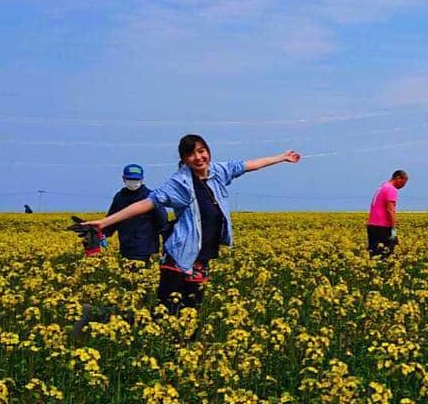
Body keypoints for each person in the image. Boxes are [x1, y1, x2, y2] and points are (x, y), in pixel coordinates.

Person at [80, 135, 299, 315]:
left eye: (202, 150)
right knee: (165, 313)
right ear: (184, 159)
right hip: (179, 257)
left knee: (190, 311)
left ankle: (182, 352)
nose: (198, 157)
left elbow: (248, 165)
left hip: (201, 259)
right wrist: (104, 222)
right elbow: (147, 203)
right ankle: (100, 316)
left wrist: (281, 157)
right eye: (191, 153)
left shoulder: (218, 173)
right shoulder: (180, 183)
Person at [104, 163, 167, 263]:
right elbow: (112, 220)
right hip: (125, 248)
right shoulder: (120, 197)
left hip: (146, 250)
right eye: (130, 179)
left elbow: (163, 222)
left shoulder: (151, 197)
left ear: (142, 180)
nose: (133, 182)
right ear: (124, 179)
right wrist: (103, 234)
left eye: (136, 180)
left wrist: (166, 245)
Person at [367, 170, 407, 257]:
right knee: (390, 255)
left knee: (374, 254)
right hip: (383, 227)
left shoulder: (381, 187)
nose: (403, 186)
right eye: (403, 183)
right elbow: (390, 209)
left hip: (372, 225)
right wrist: (394, 227)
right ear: (398, 178)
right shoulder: (391, 189)